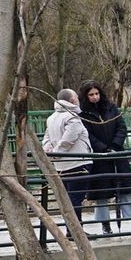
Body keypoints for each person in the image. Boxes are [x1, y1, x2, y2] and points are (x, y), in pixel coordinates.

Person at [79, 80, 131, 234]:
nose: (95, 97)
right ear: (86, 96)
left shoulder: (111, 107)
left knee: (126, 190)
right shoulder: (82, 113)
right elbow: (87, 135)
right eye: (91, 95)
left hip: (117, 153)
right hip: (99, 157)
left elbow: (121, 127)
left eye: (96, 94)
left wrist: (115, 146)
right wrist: (103, 149)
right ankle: (105, 224)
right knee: (101, 194)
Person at [41, 88, 93, 233]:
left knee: (69, 199)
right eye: (76, 97)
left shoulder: (51, 118)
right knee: (75, 199)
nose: (78, 99)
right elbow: (69, 139)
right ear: (72, 100)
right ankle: (75, 231)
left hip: (61, 166)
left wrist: (51, 152)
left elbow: (46, 139)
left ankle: (73, 229)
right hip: (77, 163)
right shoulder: (72, 117)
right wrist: (58, 152)